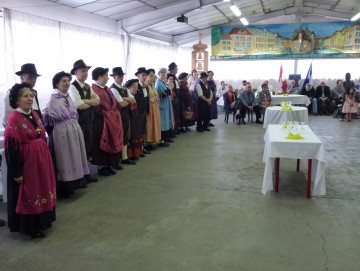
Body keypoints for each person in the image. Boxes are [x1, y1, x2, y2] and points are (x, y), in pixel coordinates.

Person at [5, 83, 56, 238]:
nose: (29, 99)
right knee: (30, 192)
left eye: (31, 96)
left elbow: (40, 132)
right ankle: (31, 227)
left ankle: (43, 221)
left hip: (40, 161)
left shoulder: (33, 114)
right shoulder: (14, 119)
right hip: (27, 164)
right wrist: (17, 172)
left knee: (41, 189)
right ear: (17, 100)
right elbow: (12, 148)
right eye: (25, 96)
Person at [42, 71, 89, 197]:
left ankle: (75, 182)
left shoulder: (67, 96)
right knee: (65, 159)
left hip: (73, 130)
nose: (67, 83)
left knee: (74, 156)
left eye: (68, 81)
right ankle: (65, 187)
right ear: (57, 83)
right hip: (62, 133)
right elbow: (46, 115)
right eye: (63, 81)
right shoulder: (53, 98)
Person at [68, 59, 100, 182]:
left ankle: (86, 173)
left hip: (89, 119)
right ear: (76, 73)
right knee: (80, 147)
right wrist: (89, 102)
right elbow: (79, 105)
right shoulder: (73, 87)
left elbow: (98, 101)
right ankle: (80, 176)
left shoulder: (87, 86)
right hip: (79, 121)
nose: (86, 73)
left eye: (86, 70)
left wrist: (86, 101)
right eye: (83, 71)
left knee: (88, 145)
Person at [91, 67, 123, 176]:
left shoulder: (106, 88)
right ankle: (102, 166)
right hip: (101, 120)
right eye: (105, 75)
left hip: (111, 118)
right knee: (102, 141)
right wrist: (104, 113)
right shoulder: (94, 88)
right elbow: (95, 104)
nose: (107, 78)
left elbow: (113, 101)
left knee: (112, 139)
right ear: (99, 76)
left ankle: (109, 164)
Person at [109, 67, 137, 165]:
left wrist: (125, 99)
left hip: (126, 115)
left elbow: (133, 100)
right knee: (118, 136)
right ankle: (118, 158)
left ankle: (124, 157)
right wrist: (127, 100)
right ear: (114, 77)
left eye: (122, 76)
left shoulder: (123, 87)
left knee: (126, 135)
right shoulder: (113, 88)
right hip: (117, 116)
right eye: (119, 76)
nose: (121, 78)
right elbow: (121, 104)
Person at [126, 79, 145, 159]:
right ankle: (130, 155)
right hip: (130, 117)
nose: (136, 88)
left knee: (137, 133)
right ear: (128, 88)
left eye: (137, 86)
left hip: (136, 116)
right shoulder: (128, 95)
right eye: (134, 87)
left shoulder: (135, 95)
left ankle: (137, 153)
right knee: (132, 135)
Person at [144, 68, 163, 147]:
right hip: (149, 107)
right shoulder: (145, 85)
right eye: (151, 76)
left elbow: (156, 95)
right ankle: (148, 142)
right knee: (149, 124)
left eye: (153, 76)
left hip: (155, 107)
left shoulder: (153, 85)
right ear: (147, 76)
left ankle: (155, 140)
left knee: (155, 123)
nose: (152, 77)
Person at [135, 67, 151, 154]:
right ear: (138, 76)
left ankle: (142, 147)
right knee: (138, 130)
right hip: (138, 112)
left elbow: (147, 99)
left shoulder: (146, 86)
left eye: (145, 75)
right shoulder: (136, 86)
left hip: (144, 110)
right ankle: (138, 149)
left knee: (143, 129)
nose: (144, 77)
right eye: (143, 75)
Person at [155, 68, 174, 144]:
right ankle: (162, 139)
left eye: (164, 72)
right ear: (158, 73)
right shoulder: (158, 83)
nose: (163, 73)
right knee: (163, 122)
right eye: (161, 72)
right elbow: (162, 94)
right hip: (162, 104)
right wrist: (170, 89)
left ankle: (167, 137)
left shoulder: (162, 82)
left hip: (166, 103)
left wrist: (169, 89)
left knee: (167, 120)